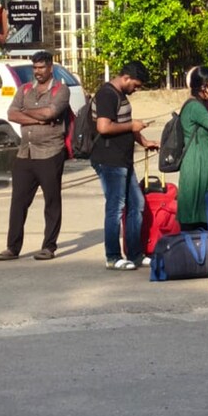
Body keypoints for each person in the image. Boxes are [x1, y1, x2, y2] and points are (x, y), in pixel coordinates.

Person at [0, 51, 70, 262]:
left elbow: (51, 113)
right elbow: (11, 114)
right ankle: (12, 247)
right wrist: (37, 120)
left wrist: (27, 114)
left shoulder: (60, 90)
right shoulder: (24, 89)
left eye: (41, 67)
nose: (37, 71)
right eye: (35, 68)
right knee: (18, 202)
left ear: (50, 68)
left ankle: (48, 246)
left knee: (52, 202)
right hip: (25, 153)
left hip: (50, 152)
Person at [92, 61, 157, 271]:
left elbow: (127, 123)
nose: (136, 89)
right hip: (109, 159)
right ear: (126, 78)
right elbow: (104, 127)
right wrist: (132, 125)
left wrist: (143, 141)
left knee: (136, 204)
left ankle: (135, 254)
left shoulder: (121, 96)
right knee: (116, 207)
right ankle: (112, 256)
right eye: (135, 85)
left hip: (123, 158)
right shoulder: (107, 94)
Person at [176, 66, 208, 230]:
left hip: (205, 160)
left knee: (204, 207)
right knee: (195, 206)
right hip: (196, 162)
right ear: (204, 86)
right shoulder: (194, 106)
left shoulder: (202, 104)